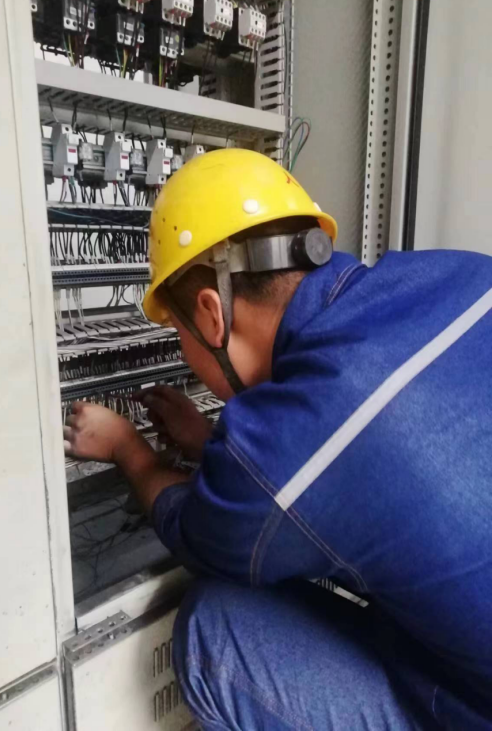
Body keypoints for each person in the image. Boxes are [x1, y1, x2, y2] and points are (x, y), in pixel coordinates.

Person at [64, 149, 492, 730]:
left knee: (217, 629)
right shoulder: (462, 273)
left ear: (211, 314)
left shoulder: (309, 424)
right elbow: (360, 461)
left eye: (178, 333)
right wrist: (209, 443)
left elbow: (195, 529)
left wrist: (125, 448)